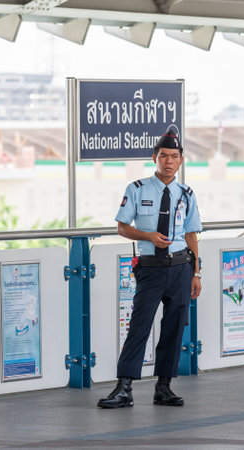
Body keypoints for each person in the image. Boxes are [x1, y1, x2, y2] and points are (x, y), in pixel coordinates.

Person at [97, 127, 202, 409]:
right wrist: (148, 236)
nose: (169, 161)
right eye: (164, 156)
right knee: (139, 326)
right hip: (151, 268)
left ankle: (164, 387)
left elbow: (192, 234)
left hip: (181, 267)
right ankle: (124, 387)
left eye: (175, 156)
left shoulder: (187, 194)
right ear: (155, 157)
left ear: (181, 161)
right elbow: (122, 227)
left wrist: (196, 272)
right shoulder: (137, 189)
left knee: (174, 328)